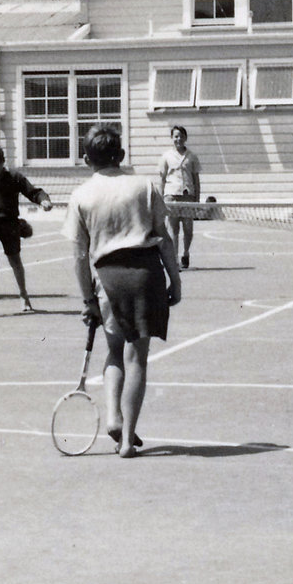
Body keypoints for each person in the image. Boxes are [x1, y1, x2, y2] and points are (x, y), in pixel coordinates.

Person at [66, 124, 184, 459]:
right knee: (137, 359)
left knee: (115, 352)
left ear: (87, 158)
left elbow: (78, 258)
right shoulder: (143, 185)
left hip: (108, 278)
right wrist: (175, 279)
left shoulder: (81, 195)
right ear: (121, 155)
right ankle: (128, 439)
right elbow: (165, 237)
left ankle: (114, 417)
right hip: (146, 274)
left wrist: (88, 300)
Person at [0, 144, 53, 319]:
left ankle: (24, 296)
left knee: (15, 260)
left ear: (3, 162)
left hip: (9, 224)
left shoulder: (14, 177)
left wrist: (43, 200)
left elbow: (33, 191)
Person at [158, 124, 203, 269]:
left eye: (181, 136)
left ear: (186, 138)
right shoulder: (166, 156)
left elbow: (196, 179)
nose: (179, 139)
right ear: (172, 138)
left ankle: (185, 253)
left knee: (188, 229)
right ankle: (175, 260)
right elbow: (162, 178)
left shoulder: (192, 156)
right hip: (171, 195)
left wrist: (197, 199)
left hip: (187, 195)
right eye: (176, 136)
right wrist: (160, 198)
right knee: (173, 229)